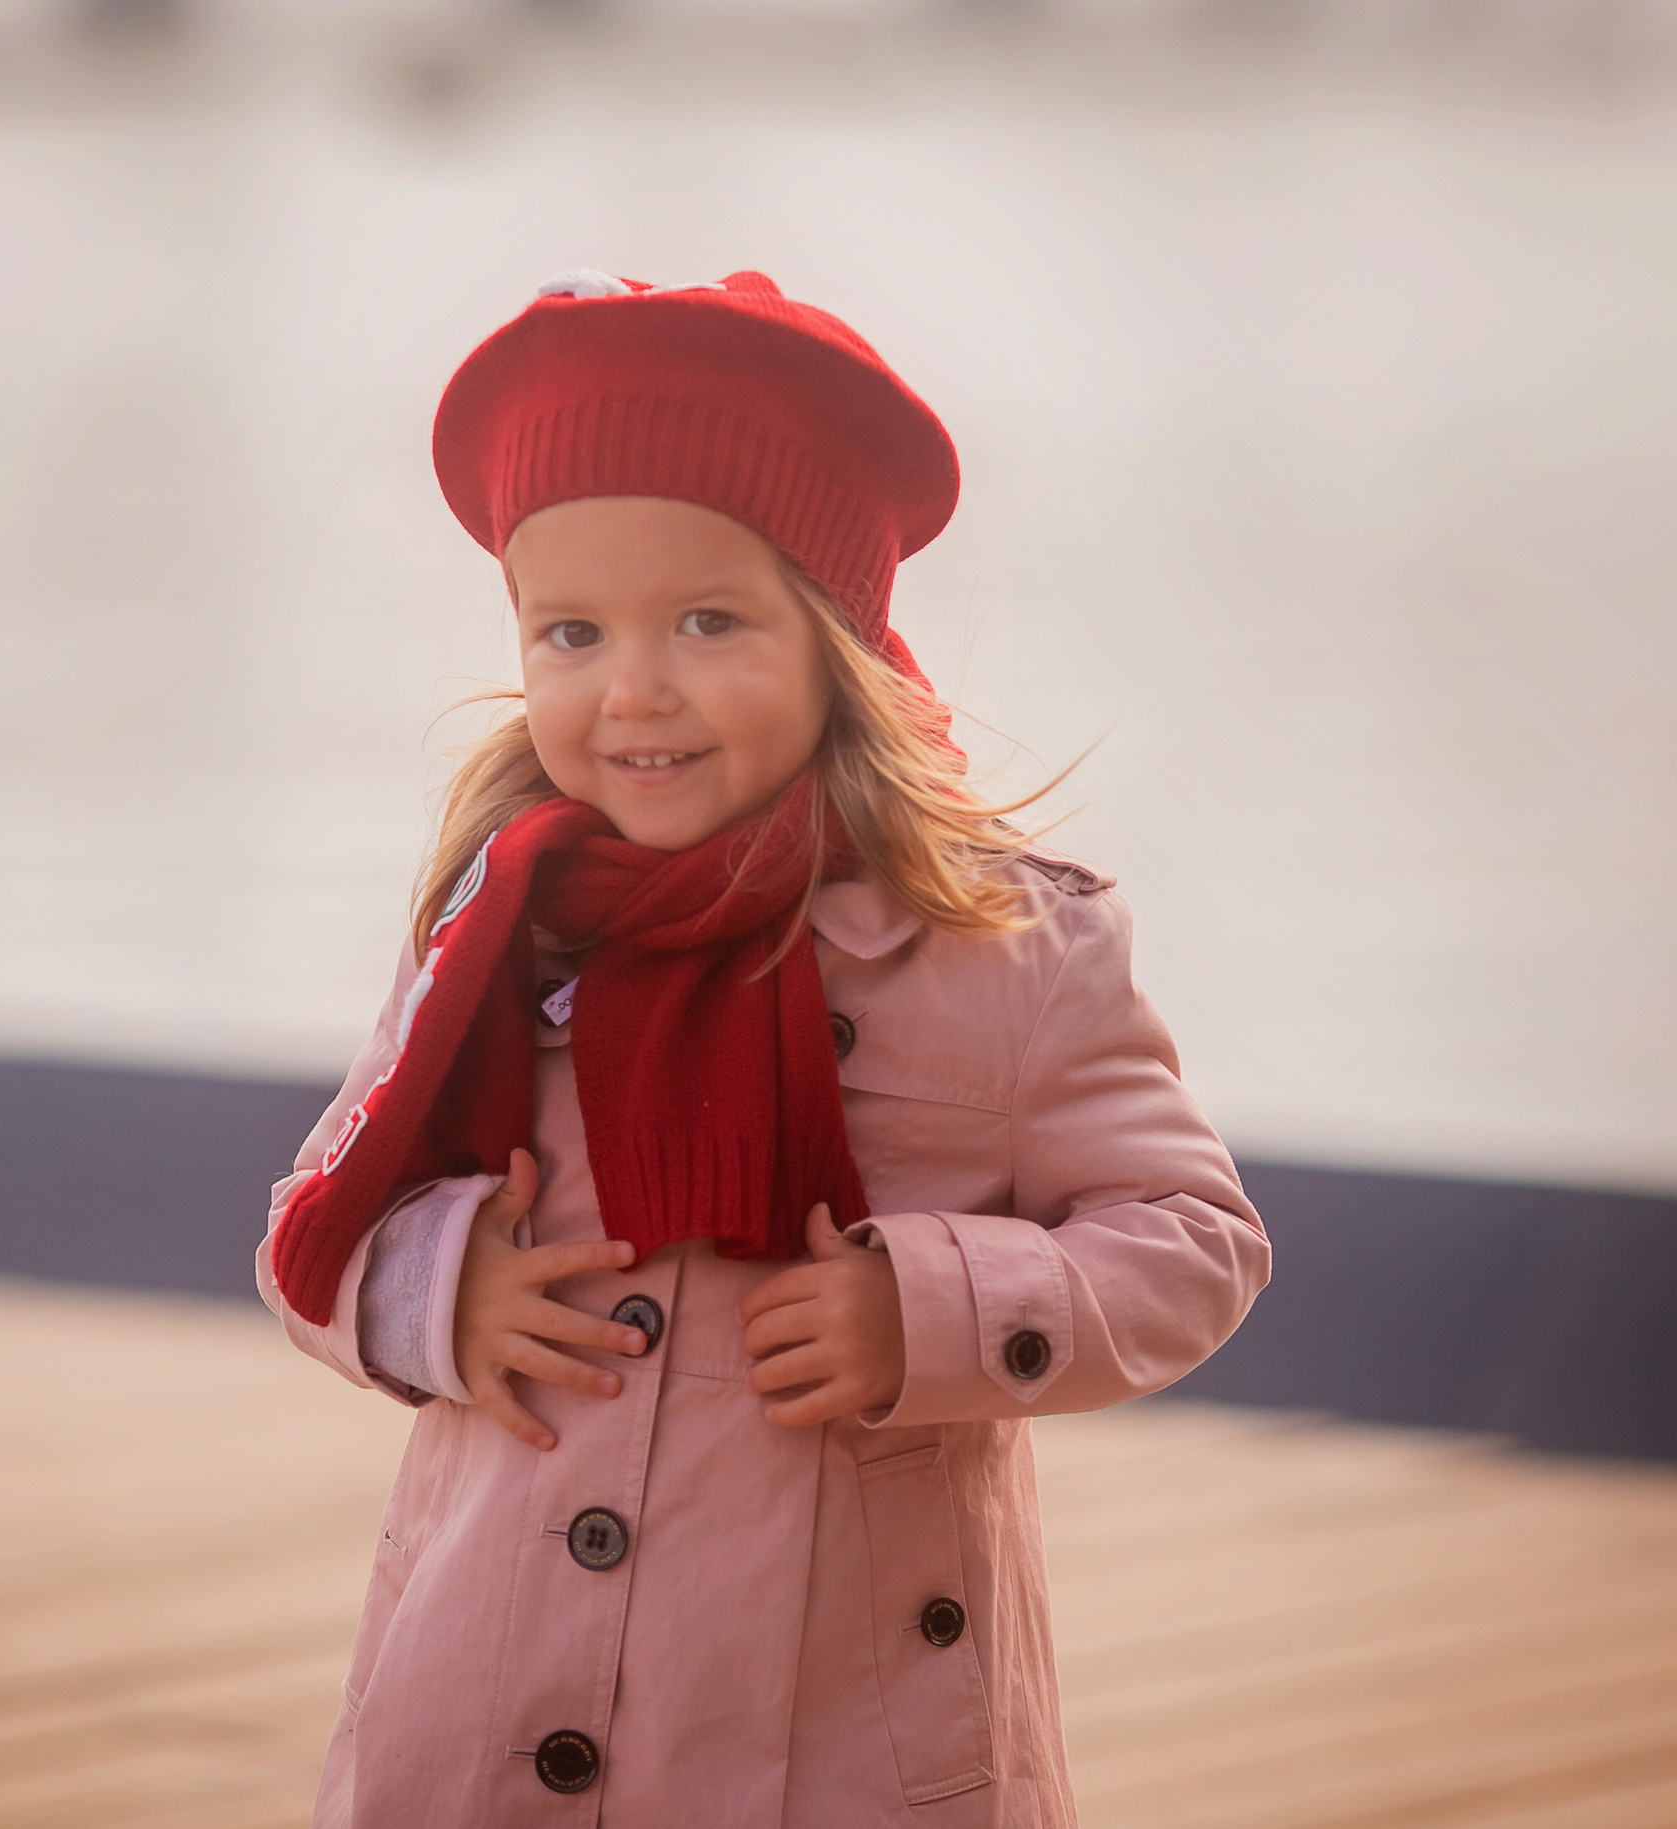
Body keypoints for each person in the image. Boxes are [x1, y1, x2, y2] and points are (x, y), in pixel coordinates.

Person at [256, 268, 1268, 1828]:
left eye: (708, 620)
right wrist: (437, 1284)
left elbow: (1195, 1243)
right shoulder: (493, 923)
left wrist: (925, 1306)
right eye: (572, 630)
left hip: (838, 1731)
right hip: (488, 1701)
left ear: (839, 640)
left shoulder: (1005, 947)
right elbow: (313, 1226)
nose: (633, 688)